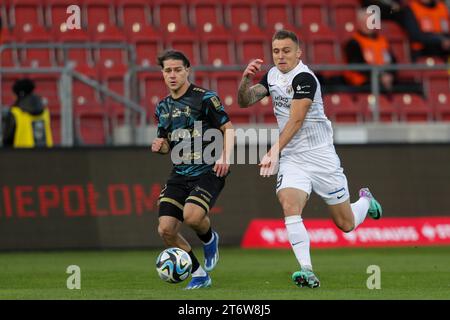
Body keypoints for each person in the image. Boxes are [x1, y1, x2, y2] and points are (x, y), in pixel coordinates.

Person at [237, 30, 383, 288]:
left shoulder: (305, 78)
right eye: (276, 51)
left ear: (298, 53)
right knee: (289, 203)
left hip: (320, 156)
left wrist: (274, 150)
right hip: (293, 156)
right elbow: (245, 101)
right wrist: (245, 80)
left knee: (346, 224)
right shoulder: (272, 75)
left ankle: (365, 201)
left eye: (286, 50)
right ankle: (307, 269)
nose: (281, 56)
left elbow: (297, 119)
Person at [152, 50, 234, 289]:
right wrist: (161, 146)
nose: (173, 75)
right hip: (180, 173)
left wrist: (224, 156)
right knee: (166, 230)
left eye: (178, 69)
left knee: (192, 216)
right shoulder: (163, 107)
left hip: (209, 169)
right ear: (162, 74)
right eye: (168, 70)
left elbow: (228, 128)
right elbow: (166, 143)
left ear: (187, 70)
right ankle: (199, 274)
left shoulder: (205, 98)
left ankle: (209, 239)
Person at [2, 78, 53, 148]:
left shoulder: (15, 113)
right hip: (47, 155)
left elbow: (7, 140)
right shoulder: (45, 112)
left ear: (19, 95)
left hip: (21, 156)